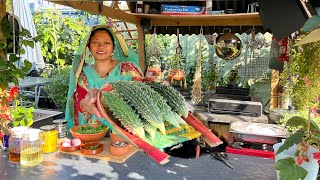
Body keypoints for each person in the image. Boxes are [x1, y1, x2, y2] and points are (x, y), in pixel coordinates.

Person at [65, 25, 146, 130]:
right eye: (95, 42)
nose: (101, 47)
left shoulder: (128, 69)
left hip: (127, 132)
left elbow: (142, 97)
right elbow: (79, 102)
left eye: (106, 43)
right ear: (88, 47)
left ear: (113, 47)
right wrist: (84, 104)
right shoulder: (83, 74)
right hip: (96, 134)